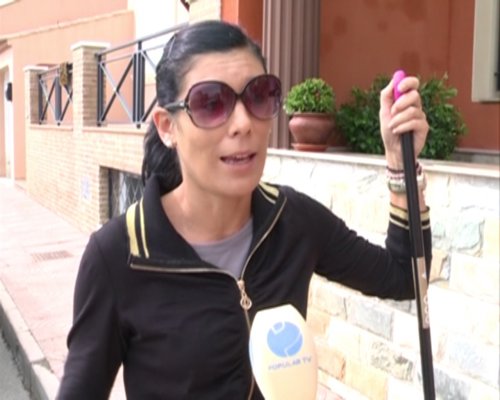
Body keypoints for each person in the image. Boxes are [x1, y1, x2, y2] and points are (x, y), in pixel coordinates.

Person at [57, 19, 431, 400]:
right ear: (168, 127)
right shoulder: (119, 256)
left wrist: (400, 163)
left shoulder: (293, 221)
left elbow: (404, 277)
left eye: (259, 96)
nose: (242, 123)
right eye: (210, 103)